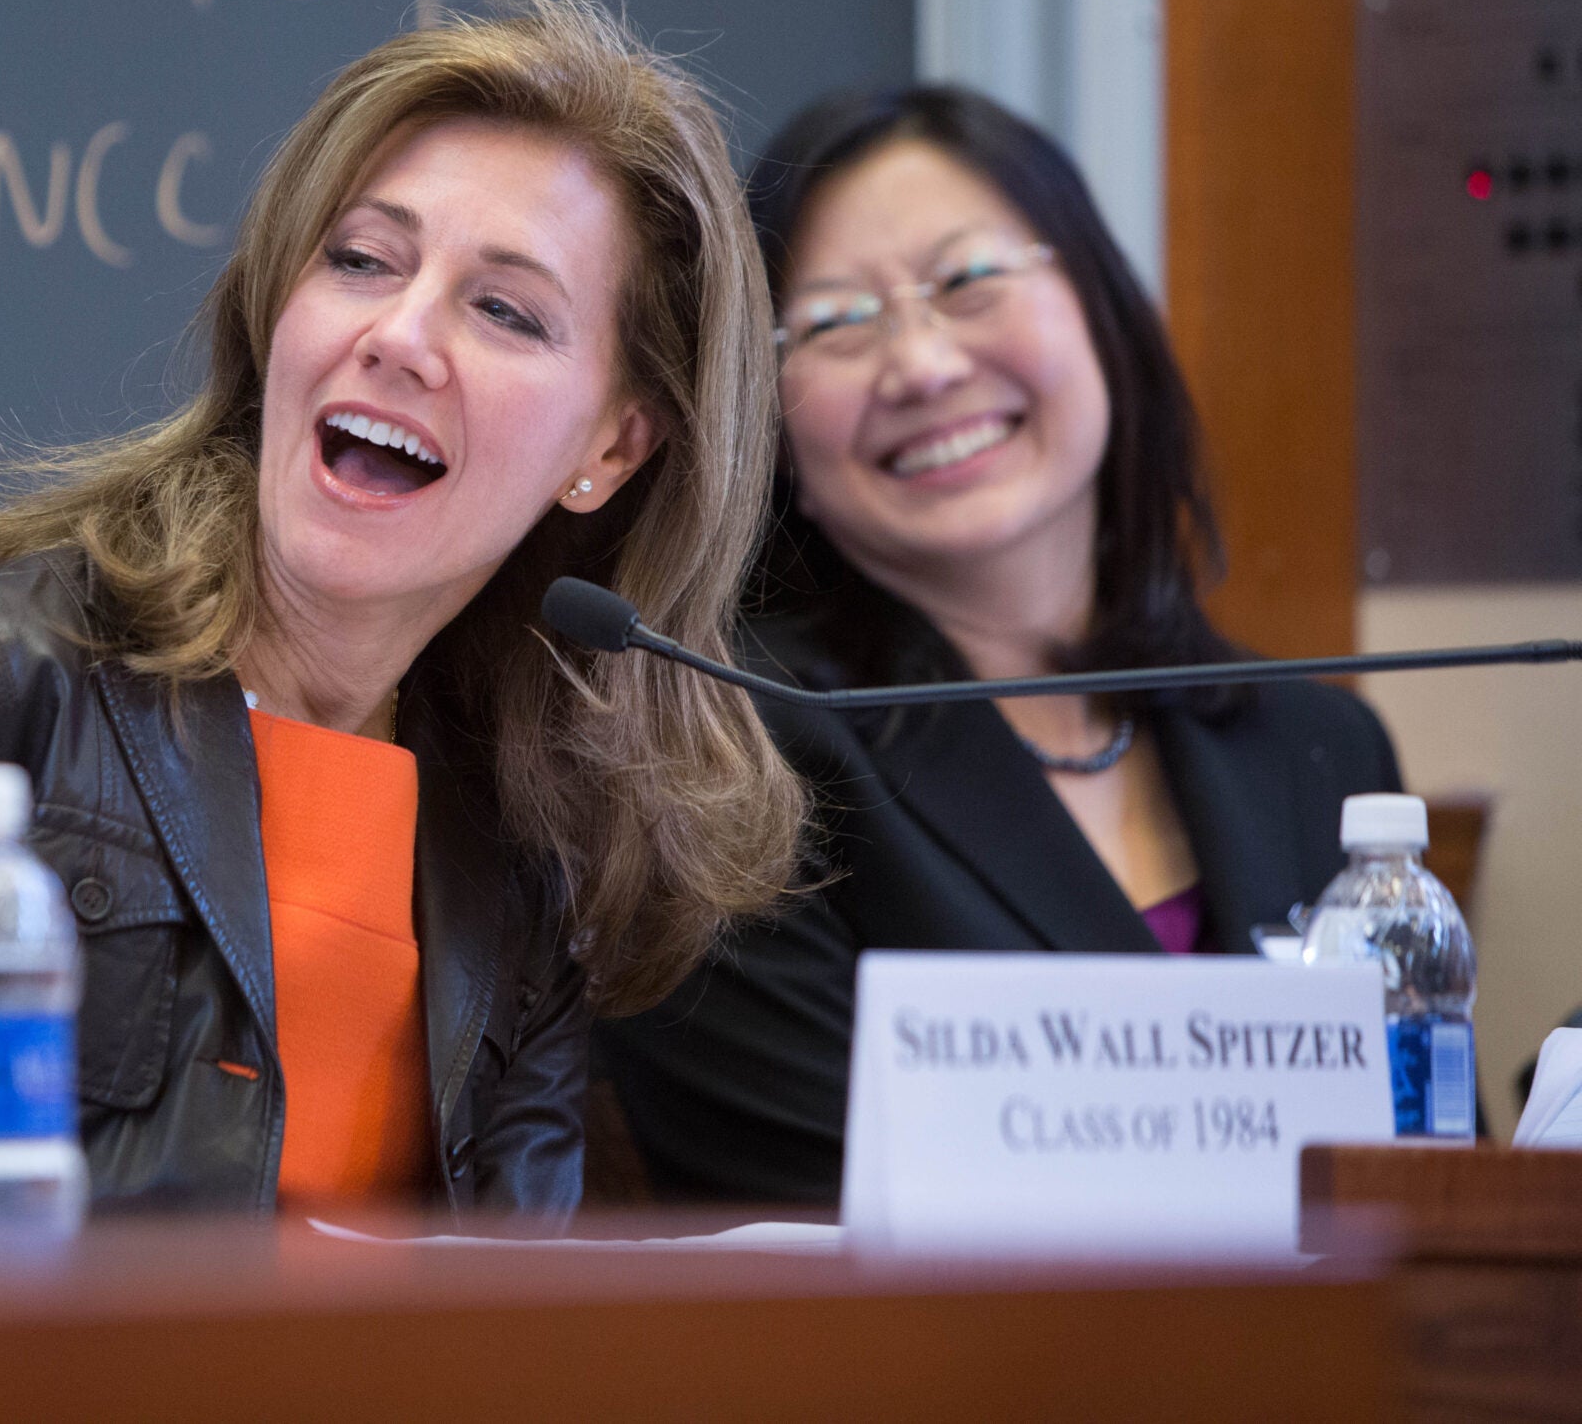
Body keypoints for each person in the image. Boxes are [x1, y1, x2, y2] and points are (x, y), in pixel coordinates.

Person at [0, 0, 804, 1219]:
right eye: (361, 260)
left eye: (503, 310)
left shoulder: (516, 846)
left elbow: (511, 1327)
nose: (397, 334)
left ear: (610, 445)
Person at [595, 85, 1403, 1204]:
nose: (921, 366)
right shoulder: (729, 765)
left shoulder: (1320, 750)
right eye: (834, 323)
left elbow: (1436, 1195)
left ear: (1102, 313)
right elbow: (848, 1225)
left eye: (968, 281)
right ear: (766, 428)